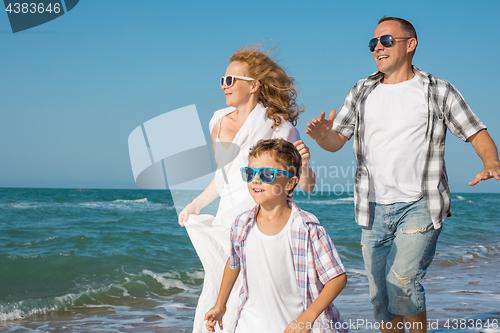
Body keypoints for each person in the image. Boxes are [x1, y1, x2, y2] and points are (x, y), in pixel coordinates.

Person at [306, 16, 500, 333]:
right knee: (381, 297)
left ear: (410, 45)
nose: (377, 48)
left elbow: (476, 132)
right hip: (372, 207)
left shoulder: (438, 91)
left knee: (402, 280)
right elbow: (335, 142)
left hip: (420, 203)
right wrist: (321, 135)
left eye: (386, 41)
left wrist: (491, 162)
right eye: (373, 43)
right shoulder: (361, 90)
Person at [179, 46, 316, 333]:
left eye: (232, 80)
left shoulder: (281, 127)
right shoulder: (217, 121)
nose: (224, 86)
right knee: (218, 289)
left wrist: (304, 163)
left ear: (253, 85)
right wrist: (197, 204)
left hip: (264, 225)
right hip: (226, 221)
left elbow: (305, 186)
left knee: (255, 299)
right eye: (222, 80)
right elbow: (225, 177)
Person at [205, 139, 348, 333]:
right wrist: (220, 304)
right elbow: (234, 263)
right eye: (249, 173)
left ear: (290, 183)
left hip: (295, 326)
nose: (255, 179)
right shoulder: (241, 225)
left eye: (266, 174)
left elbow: (337, 278)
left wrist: (308, 317)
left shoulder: (308, 228)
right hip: (250, 324)